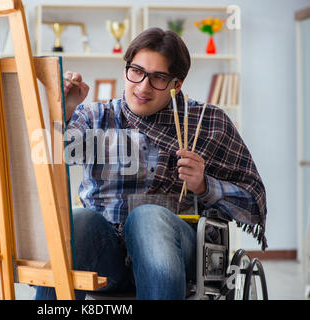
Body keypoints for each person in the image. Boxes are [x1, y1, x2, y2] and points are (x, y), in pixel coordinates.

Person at [35, 27, 267, 300]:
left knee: (147, 216)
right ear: (126, 69)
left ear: (176, 84)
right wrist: (66, 109)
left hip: (175, 252)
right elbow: (46, 160)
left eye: (158, 78)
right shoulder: (95, 116)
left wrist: (205, 186)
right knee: (77, 220)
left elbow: (253, 199)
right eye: (136, 71)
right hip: (106, 260)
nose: (143, 87)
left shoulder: (208, 122)